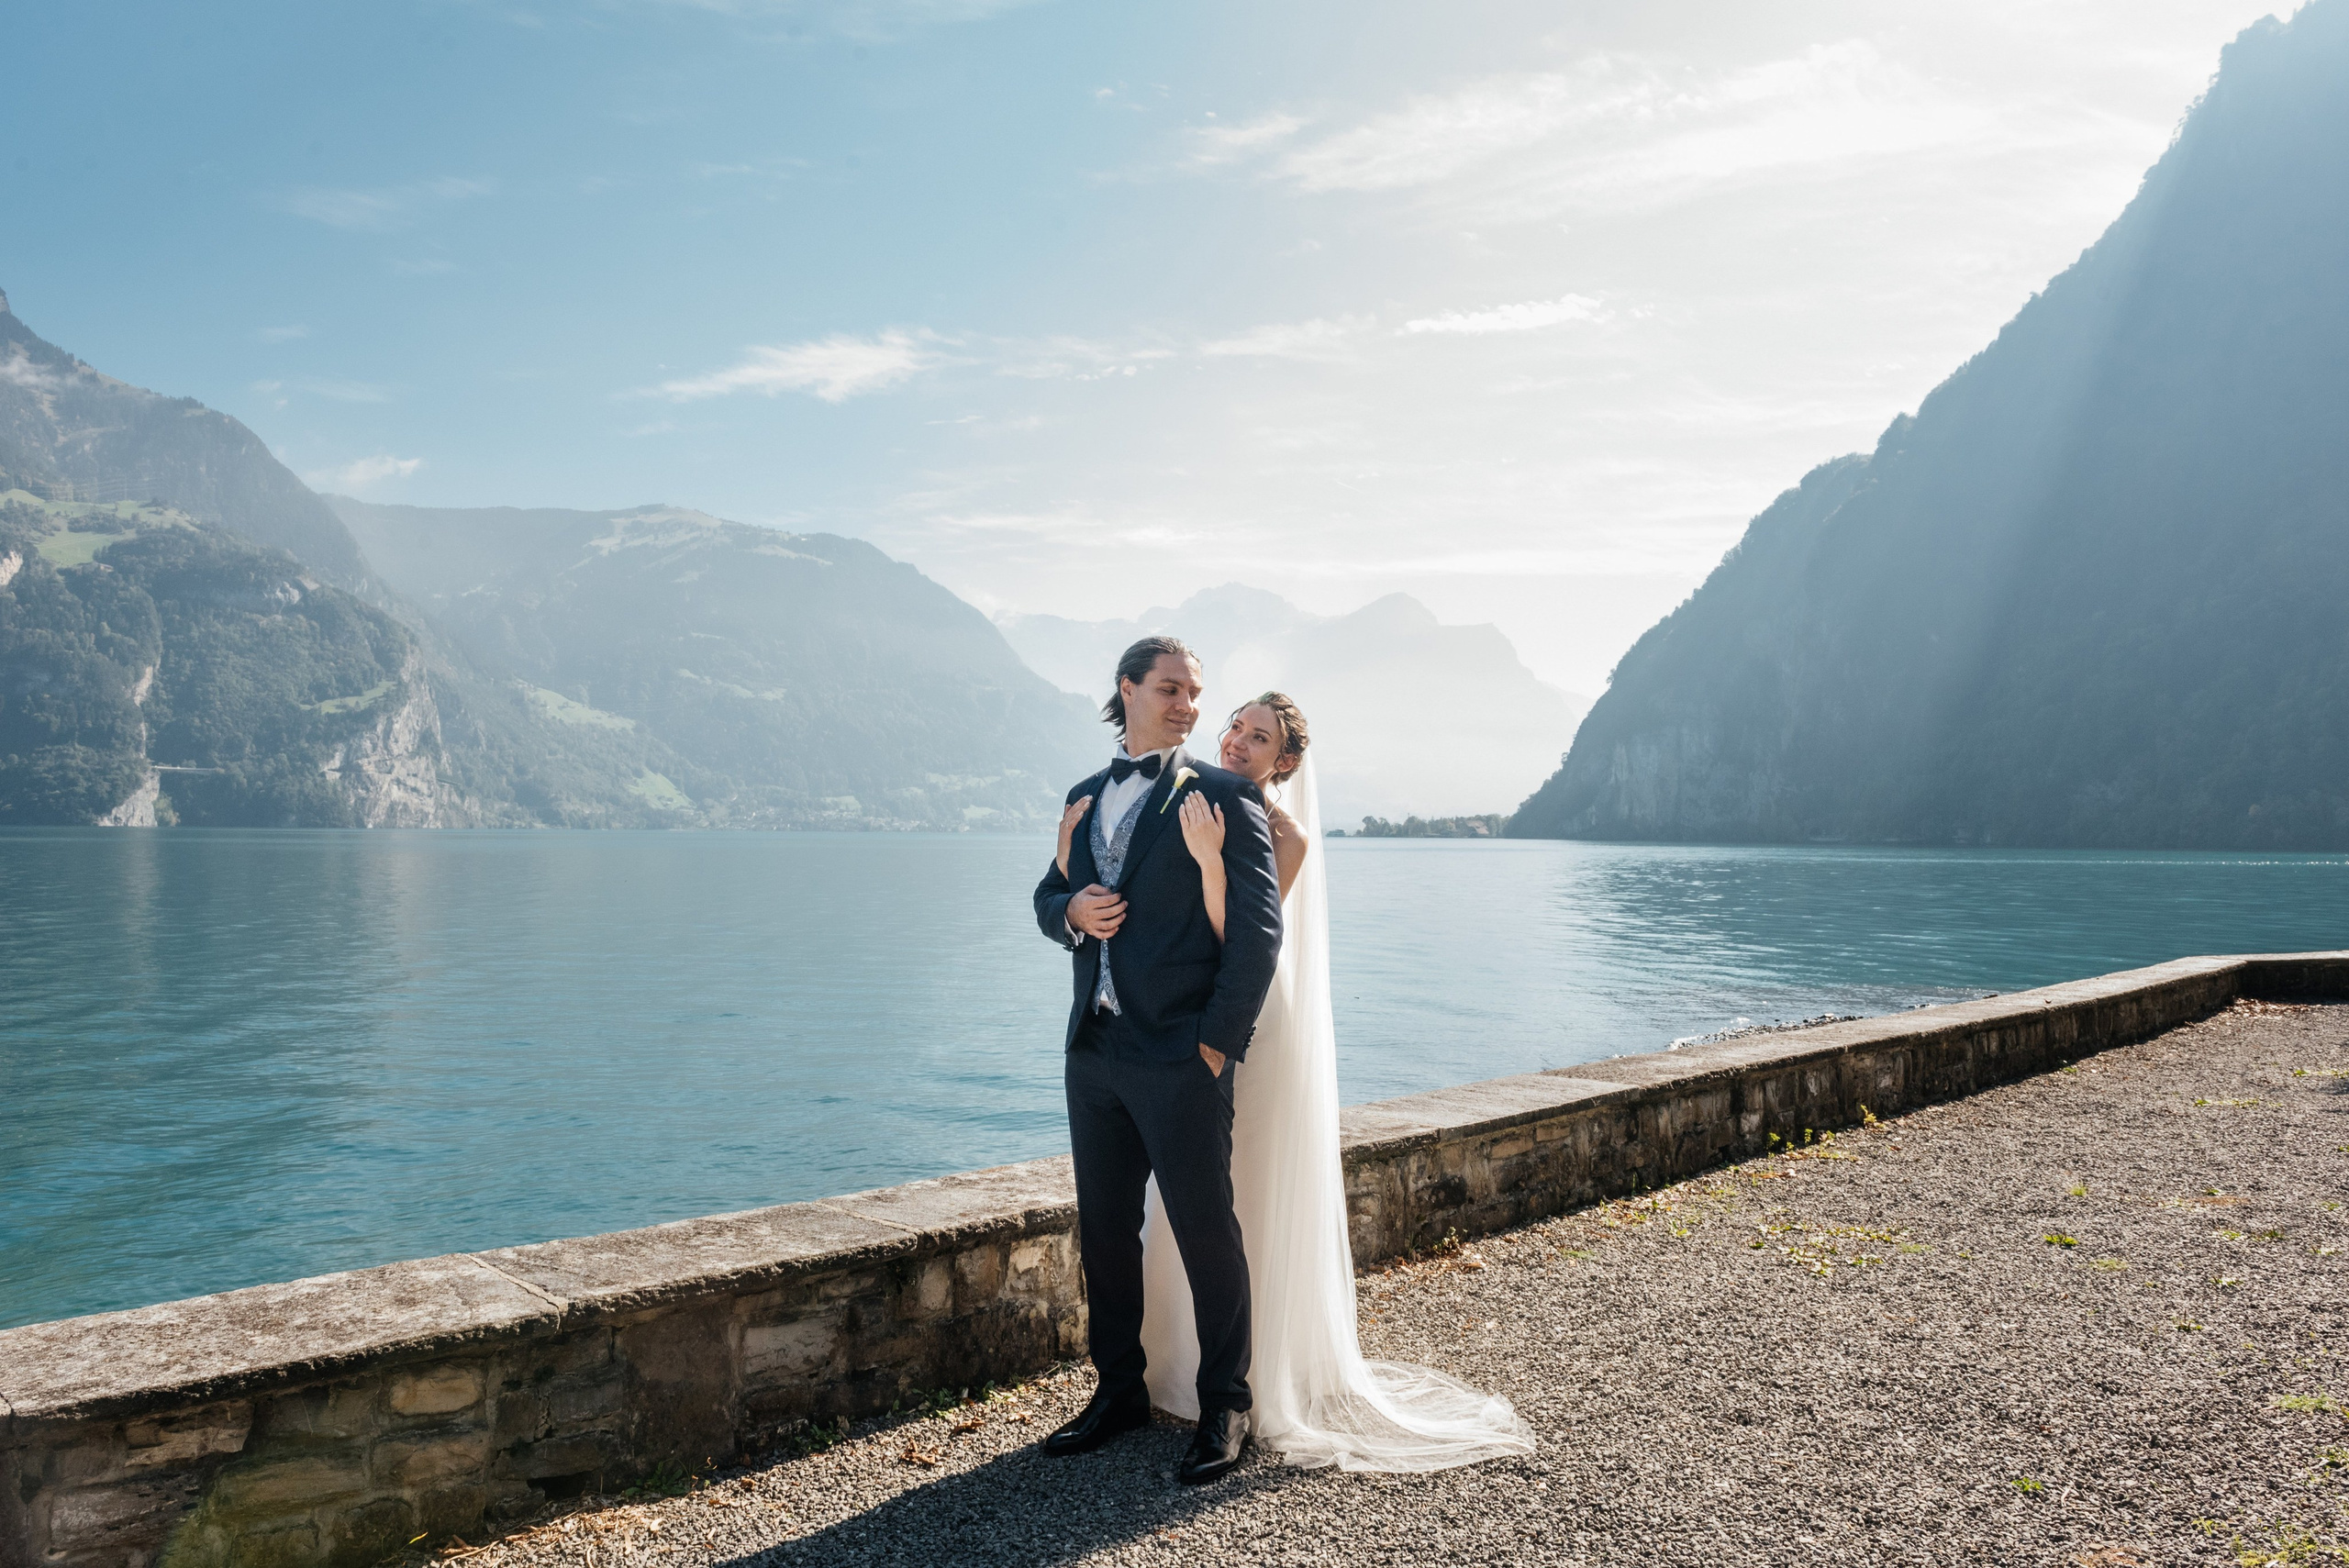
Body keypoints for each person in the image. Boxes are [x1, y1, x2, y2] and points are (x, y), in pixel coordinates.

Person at [1135, 692, 1536, 1472]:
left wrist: (1213, 861)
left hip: (1251, 1016)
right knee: (1184, 1187)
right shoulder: (1193, 798)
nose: (1239, 742)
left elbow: (1237, 939)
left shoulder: (1284, 834)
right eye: (1237, 727)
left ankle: (1248, 1376)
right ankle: (1173, 1365)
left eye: (1261, 738)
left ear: (1285, 760)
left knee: (1243, 1184)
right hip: (1183, 1017)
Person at [1031, 636, 1283, 1485]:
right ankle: (1119, 1392)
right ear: (1128, 690)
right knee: (1105, 1230)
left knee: (1207, 1229)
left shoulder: (1223, 793)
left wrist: (1215, 1042)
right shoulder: (1080, 795)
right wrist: (1074, 907)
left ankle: (1226, 1402)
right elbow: (1044, 898)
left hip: (1180, 1054)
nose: (1188, 705)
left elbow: (1256, 933)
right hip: (1093, 1051)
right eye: (1170, 688)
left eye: (1194, 693)